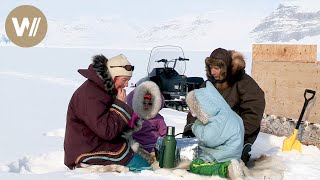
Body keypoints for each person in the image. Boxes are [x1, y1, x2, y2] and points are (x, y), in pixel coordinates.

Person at [64, 54, 151, 171]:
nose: (126, 85)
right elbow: (106, 131)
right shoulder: (92, 95)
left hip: (94, 143)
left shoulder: (101, 89)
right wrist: (120, 105)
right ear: (113, 76)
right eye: (124, 80)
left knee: (140, 157)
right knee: (143, 166)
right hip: (88, 149)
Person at [183, 48, 265, 163]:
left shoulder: (244, 84)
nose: (213, 72)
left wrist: (234, 134)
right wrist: (190, 129)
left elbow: (253, 113)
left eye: (216, 68)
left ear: (226, 67)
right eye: (210, 68)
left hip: (236, 137)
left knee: (224, 162)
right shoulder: (208, 84)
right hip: (211, 135)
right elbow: (196, 108)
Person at [186, 81, 245, 179]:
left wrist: (195, 126)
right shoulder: (227, 113)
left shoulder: (218, 120)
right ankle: (234, 165)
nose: (194, 115)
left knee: (195, 166)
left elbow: (208, 139)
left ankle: (225, 169)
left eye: (195, 111)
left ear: (202, 109)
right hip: (233, 152)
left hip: (222, 155)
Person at [127, 81, 167, 153]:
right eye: (144, 103)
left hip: (154, 147)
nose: (146, 105)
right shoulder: (134, 117)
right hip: (137, 147)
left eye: (150, 104)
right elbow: (129, 131)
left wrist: (164, 144)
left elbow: (164, 133)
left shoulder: (157, 118)